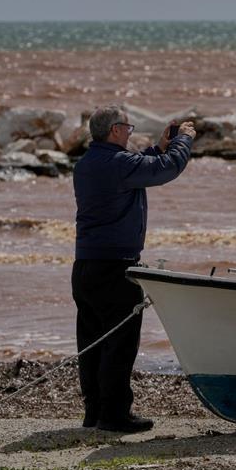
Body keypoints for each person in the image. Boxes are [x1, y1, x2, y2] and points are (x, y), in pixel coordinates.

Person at [72, 105, 196, 433]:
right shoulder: (118, 164)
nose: (130, 131)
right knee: (120, 343)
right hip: (115, 268)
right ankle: (113, 416)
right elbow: (168, 168)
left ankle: (95, 413)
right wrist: (184, 141)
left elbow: (143, 166)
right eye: (127, 127)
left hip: (85, 266)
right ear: (114, 130)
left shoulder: (86, 164)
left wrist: (158, 147)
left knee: (92, 342)